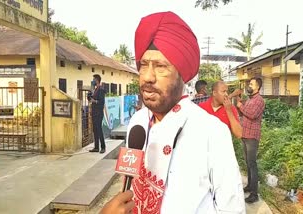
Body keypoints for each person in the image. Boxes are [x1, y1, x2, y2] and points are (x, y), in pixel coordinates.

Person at [125, 11, 245, 213]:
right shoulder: (137, 123)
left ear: (182, 75)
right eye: (143, 65)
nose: (147, 77)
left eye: (160, 67)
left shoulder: (212, 132)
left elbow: (232, 208)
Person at [236, 77, 265, 204]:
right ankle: (249, 186)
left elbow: (252, 115)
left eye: (251, 84)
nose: (249, 85)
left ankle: (254, 194)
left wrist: (241, 106)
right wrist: (240, 105)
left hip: (252, 136)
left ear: (257, 87)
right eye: (249, 83)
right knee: (248, 163)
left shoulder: (259, 100)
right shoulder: (250, 99)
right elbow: (244, 114)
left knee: (252, 164)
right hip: (245, 134)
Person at [88, 74, 106, 153]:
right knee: (95, 130)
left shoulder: (101, 89)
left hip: (99, 113)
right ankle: (96, 147)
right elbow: (92, 99)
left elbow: (102, 102)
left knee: (99, 129)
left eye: (94, 79)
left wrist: (94, 101)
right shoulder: (95, 89)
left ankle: (103, 147)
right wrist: (90, 97)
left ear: (97, 80)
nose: (93, 81)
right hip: (94, 112)